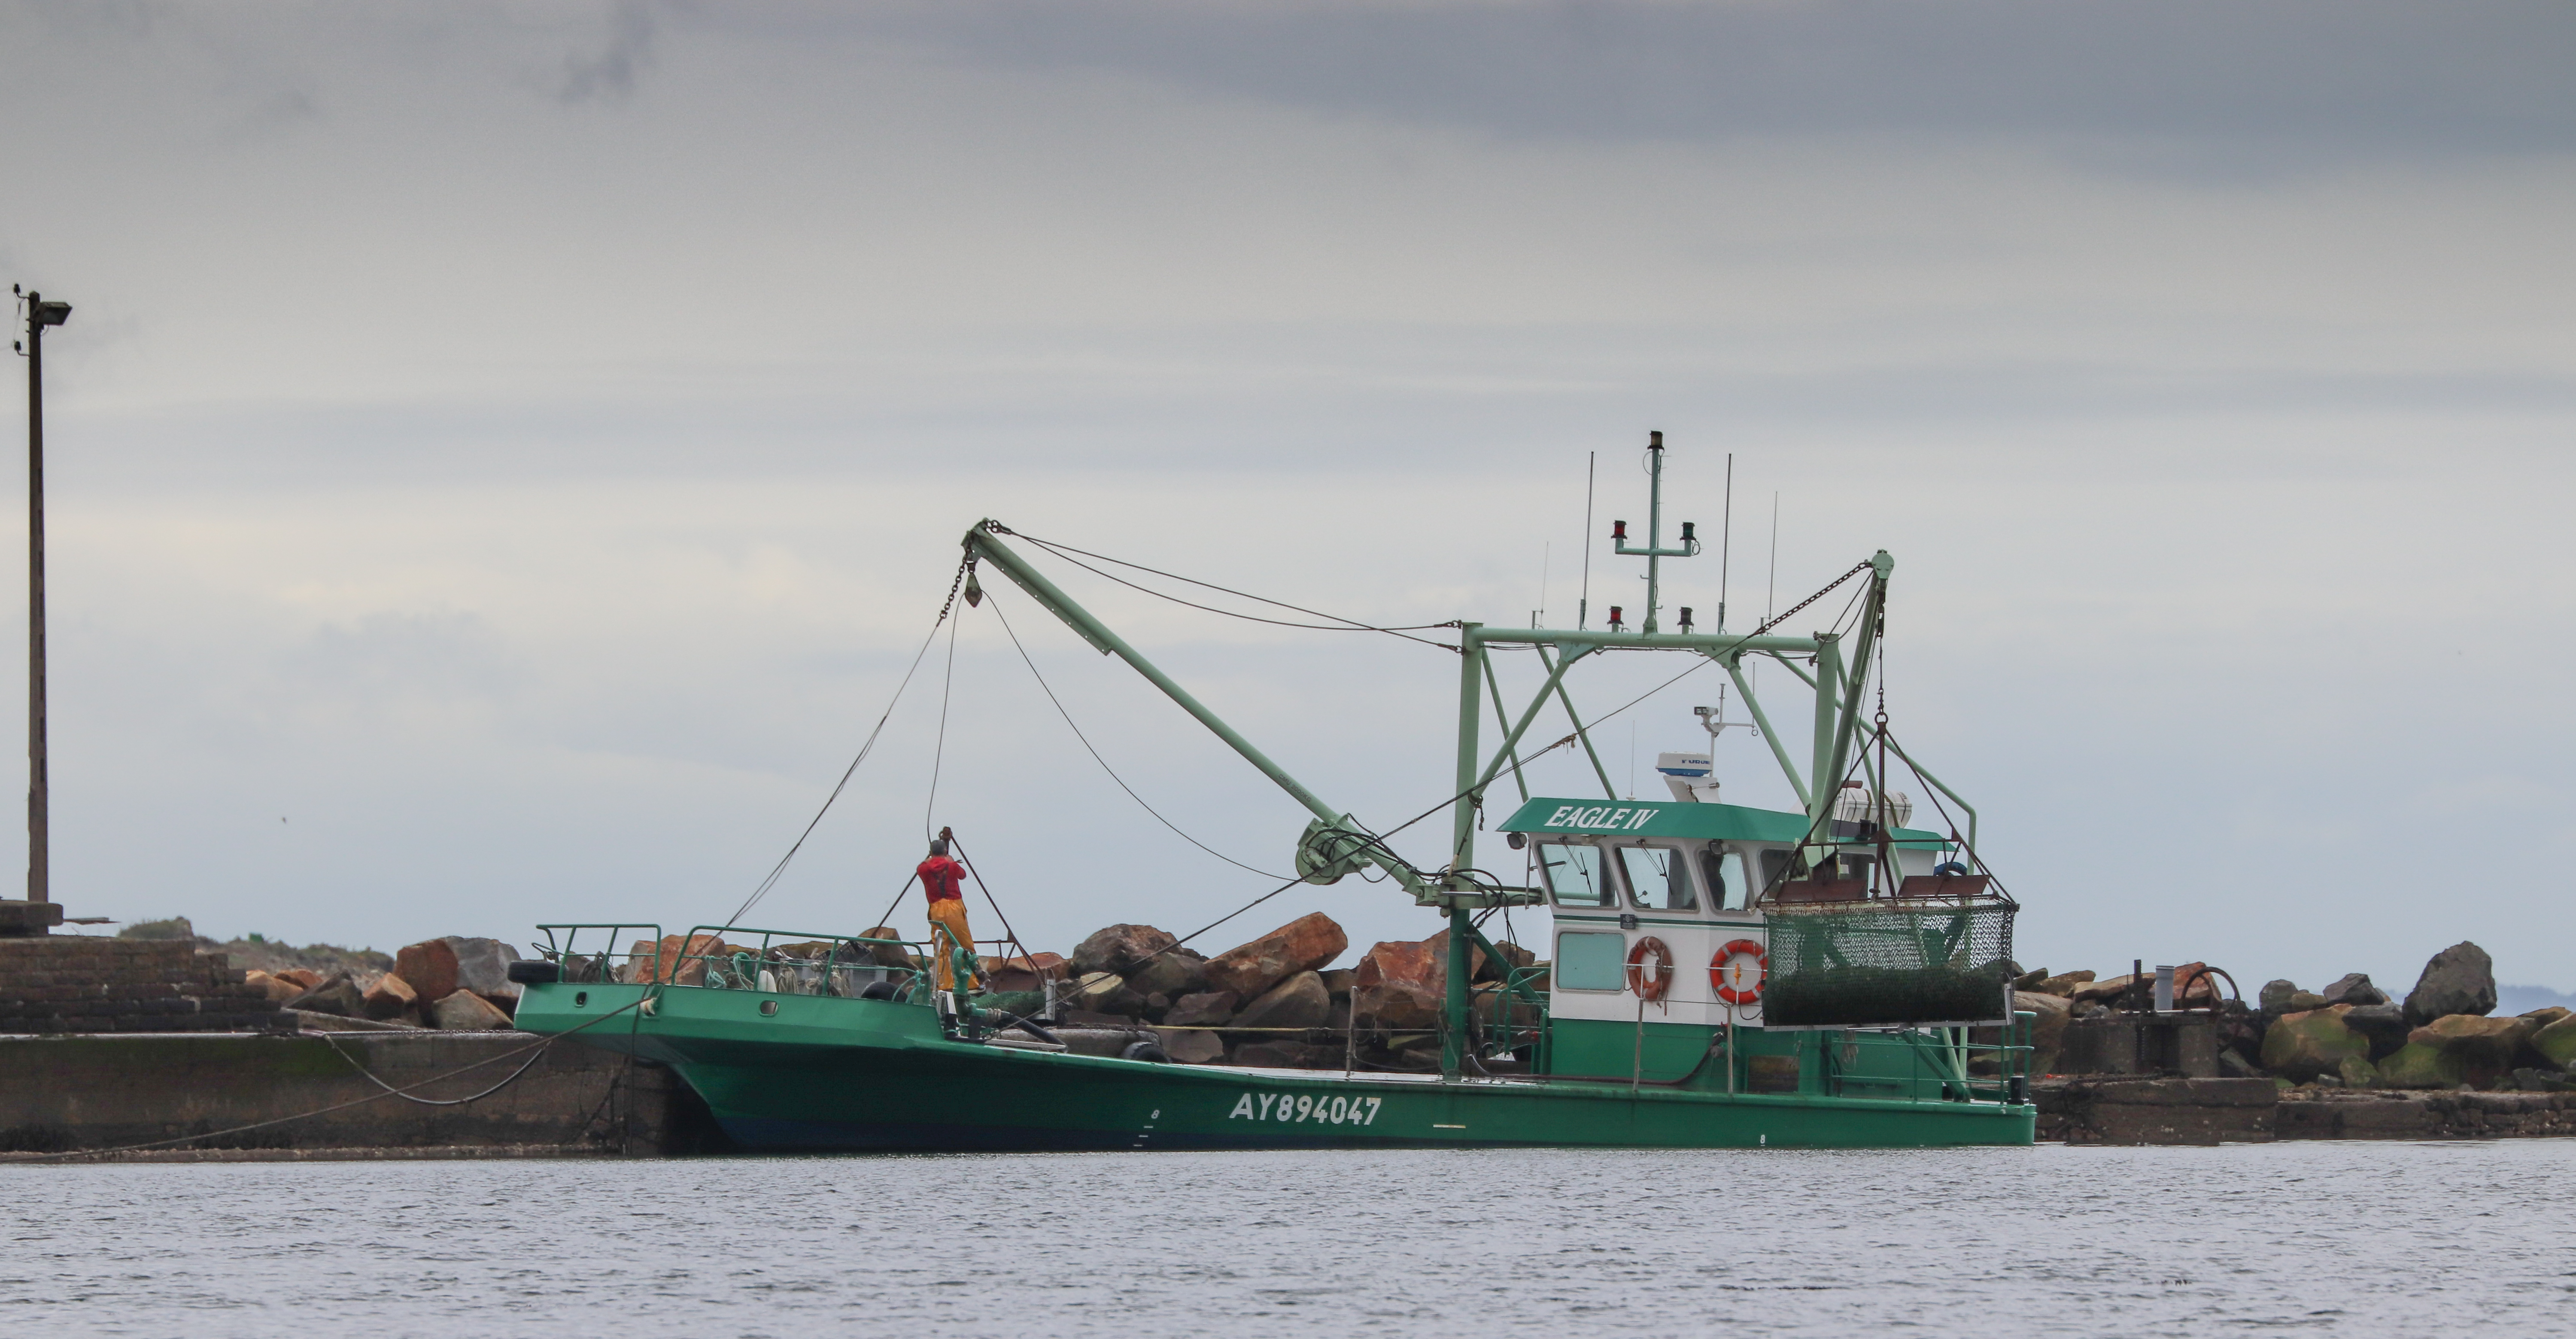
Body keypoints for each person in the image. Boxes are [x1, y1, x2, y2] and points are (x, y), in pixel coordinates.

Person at [917, 838, 975, 992]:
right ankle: (971, 983)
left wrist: (932, 858)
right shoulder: (953, 866)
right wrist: (949, 861)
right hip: (954, 906)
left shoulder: (923, 869)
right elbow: (963, 875)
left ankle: (944, 984)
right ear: (945, 852)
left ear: (930, 852)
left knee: (941, 949)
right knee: (964, 944)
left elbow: (922, 865)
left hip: (936, 909)